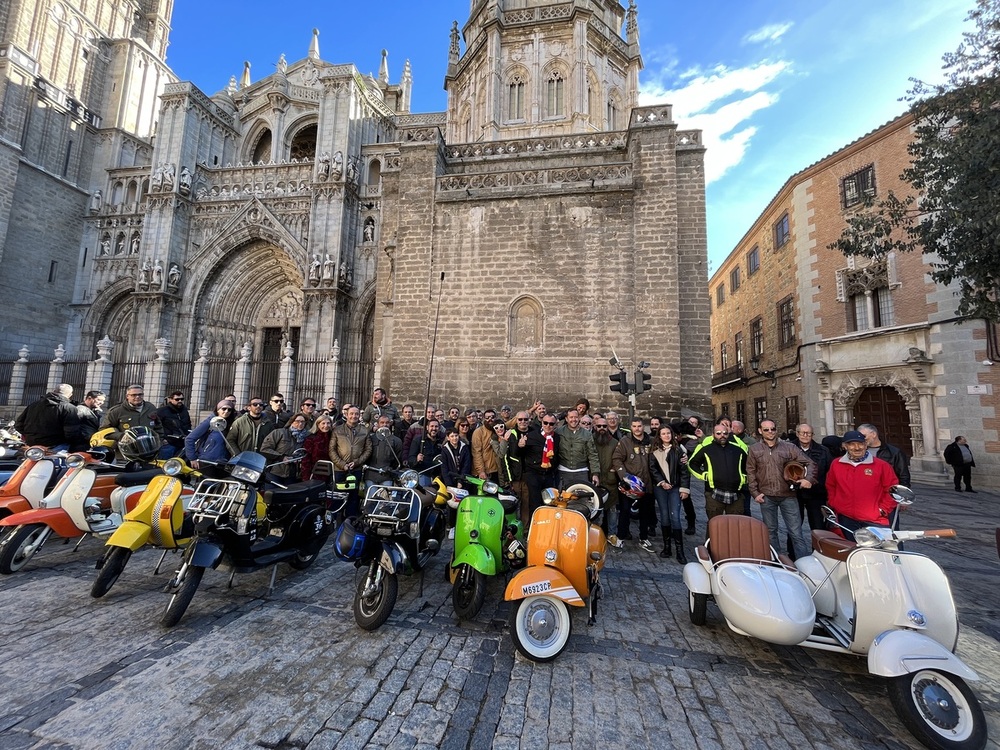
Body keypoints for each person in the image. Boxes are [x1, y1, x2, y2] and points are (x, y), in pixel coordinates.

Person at [746, 419, 816, 559]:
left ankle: (803, 562)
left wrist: (808, 479)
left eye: (772, 429)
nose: (770, 432)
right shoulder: (754, 449)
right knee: (771, 532)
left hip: (788, 495)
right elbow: (751, 472)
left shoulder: (788, 447)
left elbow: (809, 463)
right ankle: (776, 561)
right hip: (766, 496)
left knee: (796, 532)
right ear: (760, 431)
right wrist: (755, 493)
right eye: (766, 429)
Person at [826, 430, 899, 541]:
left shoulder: (881, 465)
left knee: (878, 552)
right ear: (845, 446)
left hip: (874, 519)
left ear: (865, 445)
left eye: (860, 444)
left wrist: (882, 509)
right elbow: (831, 485)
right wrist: (835, 503)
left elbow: (892, 489)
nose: (857, 448)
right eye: (852, 444)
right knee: (853, 551)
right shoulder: (836, 464)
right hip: (846, 518)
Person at [687, 423, 748, 520]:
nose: (722, 435)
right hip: (713, 492)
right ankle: (710, 536)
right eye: (718, 433)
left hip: (736, 492)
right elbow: (692, 463)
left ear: (729, 434)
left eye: (725, 433)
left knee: (735, 526)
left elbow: (748, 465)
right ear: (713, 434)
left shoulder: (738, 449)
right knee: (713, 526)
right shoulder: (706, 449)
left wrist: (744, 477)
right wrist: (703, 475)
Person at [649, 425, 691, 563]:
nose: (666, 436)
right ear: (659, 436)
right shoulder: (654, 451)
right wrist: (661, 482)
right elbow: (652, 468)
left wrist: (684, 489)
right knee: (665, 516)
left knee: (675, 516)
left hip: (674, 487)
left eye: (668, 433)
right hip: (661, 488)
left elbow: (684, 472)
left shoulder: (678, 450)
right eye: (663, 433)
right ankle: (667, 547)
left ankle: (680, 551)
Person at [612, 417, 654, 549]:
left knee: (645, 512)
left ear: (643, 427)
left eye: (639, 426)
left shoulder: (651, 441)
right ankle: (621, 537)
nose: (637, 429)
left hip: (647, 483)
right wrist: (625, 476)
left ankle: (643, 537)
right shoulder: (625, 441)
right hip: (630, 484)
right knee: (625, 511)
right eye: (634, 426)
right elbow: (617, 459)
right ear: (631, 427)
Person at [514, 413, 560, 517]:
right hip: (533, 474)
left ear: (555, 425)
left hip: (549, 475)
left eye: (551, 424)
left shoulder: (557, 438)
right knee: (534, 504)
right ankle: (533, 529)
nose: (548, 426)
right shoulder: (531, 436)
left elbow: (557, 456)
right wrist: (520, 446)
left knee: (550, 503)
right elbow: (518, 454)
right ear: (542, 423)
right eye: (545, 423)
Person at [101, 385, 163, 458]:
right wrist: (124, 436)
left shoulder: (150, 407)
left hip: (150, 452)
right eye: (134, 395)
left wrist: (160, 440)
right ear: (127, 396)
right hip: (126, 453)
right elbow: (104, 431)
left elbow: (158, 426)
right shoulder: (116, 411)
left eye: (140, 394)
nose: (137, 397)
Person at [793, 423, 832, 537]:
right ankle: (793, 553)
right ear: (797, 433)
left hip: (817, 493)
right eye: (802, 433)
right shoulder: (788, 448)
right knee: (794, 526)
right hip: (795, 493)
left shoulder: (823, 450)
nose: (805, 435)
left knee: (818, 526)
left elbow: (828, 471)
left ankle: (819, 551)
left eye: (808, 433)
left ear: (812, 435)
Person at [329, 406, 371, 514]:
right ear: (346, 415)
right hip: (339, 469)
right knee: (337, 497)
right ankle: (335, 521)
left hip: (356, 469)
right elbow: (332, 450)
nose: (354, 416)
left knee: (353, 498)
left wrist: (357, 462)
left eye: (356, 414)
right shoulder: (337, 430)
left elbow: (368, 450)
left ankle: (350, 521)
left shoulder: (365, 431)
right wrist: (342, 464)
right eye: (351, 414)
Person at [15, 384, 80, 450]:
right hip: (56, 445)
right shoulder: (69, 408)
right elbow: (71, 432)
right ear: (70, 395)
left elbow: (18, 425)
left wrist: (29, 436)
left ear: (54, 391)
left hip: (32, 445)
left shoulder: (33, 405)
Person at [184, 401, 233, 476]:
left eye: (229, 410)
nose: (226, 411)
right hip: (207, 461)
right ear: (218, 409)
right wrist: (192, 458)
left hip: (223, 463)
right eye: (224, 409)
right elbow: (190, 439)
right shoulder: (209, 422)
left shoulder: (231, 423)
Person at [555, 409, 600, 489]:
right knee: (562, 498)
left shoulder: (587, 434)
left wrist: (595, 474)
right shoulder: (559, 432)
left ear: (579, 418)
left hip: (581, 471)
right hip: (563, 470)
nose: (573, 420)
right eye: (571, 417)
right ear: (566, 419)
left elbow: (593, 454)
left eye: (576, 417)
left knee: (582, 498)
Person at [592, 415, 620, 541]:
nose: (602, 428)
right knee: (596, 508)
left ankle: (612, 534)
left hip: (610, 480)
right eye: (599, 426)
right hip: (595, 480)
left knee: (612, 509)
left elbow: (618, 458)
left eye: (604, 426)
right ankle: (595, 535)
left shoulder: (614, 442)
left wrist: (614, 469)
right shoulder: (590, 440)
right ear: (595, 427)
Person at [857, 423, 911, 487]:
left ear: (874, 434)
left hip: (887, 489)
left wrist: (902, 493)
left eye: (864, 436)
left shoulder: (894, 452)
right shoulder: (857, 451)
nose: (862, 439)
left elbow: (903, 476)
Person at [260, 413, 307, 484]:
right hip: (275, 471)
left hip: (292, 474)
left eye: (302, 422)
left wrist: (298, 459)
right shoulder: (279, 432)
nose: (300, 424)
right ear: (291, 422)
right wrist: (282, 457)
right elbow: (265, 449)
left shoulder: (306, 436)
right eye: (297, 421)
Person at [365, 415, 402, 486]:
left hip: (387, 476)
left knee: (386, 497)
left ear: (390, 424)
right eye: (382, 422)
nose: (385, 424)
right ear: (378, 424)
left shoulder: (396, 441)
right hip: (371, 475)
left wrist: (391, 469)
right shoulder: (370, 438)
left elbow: (398, 458)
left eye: (387, 422)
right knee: (370, 497)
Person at [155, 390, 191, 459]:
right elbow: (155, 425)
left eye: (182, 399)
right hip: (169, 443)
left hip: (183, 442)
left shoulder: (184, 410)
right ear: (171, 400)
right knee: (164, 465)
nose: (180, 401)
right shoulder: (162, 411)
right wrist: (162, 439)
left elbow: (188, 424)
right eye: (177, 399)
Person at [407, 419, 443, 486]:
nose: (434, 429)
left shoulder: (442, 441)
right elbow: (411, 458)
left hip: (437, 476)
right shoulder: (418, 440)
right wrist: (417, 460)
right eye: (431, 426)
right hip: (423, 473)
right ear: (427, 427)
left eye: (436, 426)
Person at [471, 409, 502, 482]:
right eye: (487, 417)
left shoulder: (498, 428)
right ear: (484, 419)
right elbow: (476, 453)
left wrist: (531, 410)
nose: (490, 419)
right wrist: (481, 471)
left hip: (496, 470)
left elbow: (511, 422)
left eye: (492, 417)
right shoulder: (478, 432)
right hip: (484, 472)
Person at [301, 414, 334, 481]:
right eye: (323, 423)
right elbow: (306, 458)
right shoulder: (311, 438)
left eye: (328, 423)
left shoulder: (333, 437)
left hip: (330, 472)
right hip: (314, 472)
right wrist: (306, 477)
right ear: (318, 425)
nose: (326, 426)